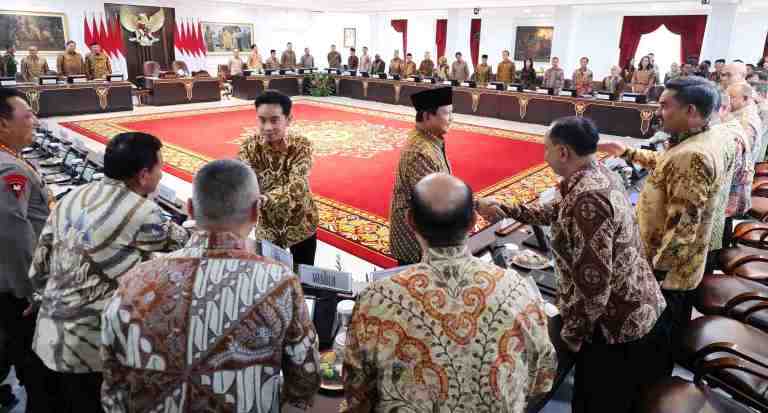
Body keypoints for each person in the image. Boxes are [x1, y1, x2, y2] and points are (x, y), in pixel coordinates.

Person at [477, 116, 668, 413]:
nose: (545, 155)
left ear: (563, 152)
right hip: (628, 303)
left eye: (547, 149)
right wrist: (505, 209)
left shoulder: (589, 198)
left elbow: (594, 284)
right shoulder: (592, 173)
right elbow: (553, 210)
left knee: (595, 399)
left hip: (615, 322)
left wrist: (571, 337)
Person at [101, 159, 321, 411]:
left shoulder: (134, 281)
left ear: (191, 209)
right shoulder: (280, 282)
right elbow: (305, 378)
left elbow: (114, 382)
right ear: (256, 212)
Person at [344, 173, 556, 412]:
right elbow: (542, 378)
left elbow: (357, 394)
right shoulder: (518, 288)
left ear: (410, 221)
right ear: (474, 220)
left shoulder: (376, 299)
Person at [29, 132, 188, 411]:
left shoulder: (72, 197)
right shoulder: (142, 211)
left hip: (48, 334)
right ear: (143, 175)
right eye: (159, 168)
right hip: (90, 349)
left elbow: (40, 263)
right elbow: (182, 242)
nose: (161, 176)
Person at [598, 77, 732, 372]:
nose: (659, 111)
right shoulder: (703, 139)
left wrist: (651, 278)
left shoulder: (692, 155)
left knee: (650, 350)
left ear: (691, 111)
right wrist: (627, 151)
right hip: (680, 271)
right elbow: (667, 163)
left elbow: (682, 228)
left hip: (665, 276)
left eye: (665, 106)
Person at [0, 88, 58, 413]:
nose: (34, 121)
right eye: (26, 116)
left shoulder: (11, 158)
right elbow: (14, 237)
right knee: (34, 364)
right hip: (18, 291)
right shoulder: (10, 170)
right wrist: (30, 292)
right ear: (3, 124)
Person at [238, 90, 319, 265]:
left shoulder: (301, 146)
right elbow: (243, 178)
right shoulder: (249, 147)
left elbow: (298, 186)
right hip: (267, 227)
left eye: (274, 120)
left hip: (300, 223)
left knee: (303, 279)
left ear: (289, 119)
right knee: (271, 276)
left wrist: (263, 199)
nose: (267, 127)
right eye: (262, 120)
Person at [389, 87, 453, 265]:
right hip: (416, 242)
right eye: (447, 113)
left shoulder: (431, 140)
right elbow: (434, 201)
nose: (452, 119)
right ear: (426, 116)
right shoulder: (420, 152)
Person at [728, 82, 764, 162]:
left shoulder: (747, 120)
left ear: (745, 98)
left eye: (732, 97)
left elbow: (737, 150)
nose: (728, 100)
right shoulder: (737, 113)